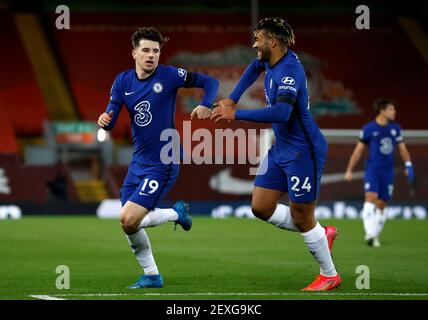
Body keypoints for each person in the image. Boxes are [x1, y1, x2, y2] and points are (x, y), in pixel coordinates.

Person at [211, 17, 341, 291]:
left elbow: (282, 112)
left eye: (258, 38)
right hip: (281, 148)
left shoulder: (290, 71)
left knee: (302, 216)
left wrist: (235, 114)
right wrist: (233, 97)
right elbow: (252, 67)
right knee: (260, 206)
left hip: (303, 151)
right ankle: (320, 233)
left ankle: (329, 274)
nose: (254, 43)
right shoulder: (269, 60)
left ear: (272, 40)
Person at [98, 27, 218, 288]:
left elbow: (211, 82)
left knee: (129, 218)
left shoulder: (170, 75)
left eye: (156, 51)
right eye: (146, 50)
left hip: (165, 159)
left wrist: (205, 104)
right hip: (138, 162)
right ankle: (152, 275)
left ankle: (175, 218)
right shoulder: (122, 82)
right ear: (134, 53)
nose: (151, 55)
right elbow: (110, 117)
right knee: (128, 224)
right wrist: (105, 121)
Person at [345, 99, 415, 247]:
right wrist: (349, 169)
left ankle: (374, 234)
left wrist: (409, 165)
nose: (394, 112)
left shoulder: (395, 128)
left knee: (382, 203)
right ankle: (370, 234)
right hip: (373, 169)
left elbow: (402, 149)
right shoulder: (369, 128)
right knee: (371, 197)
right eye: (391, 109)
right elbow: (358, 151)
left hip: (388, 170)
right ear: (382, 111)